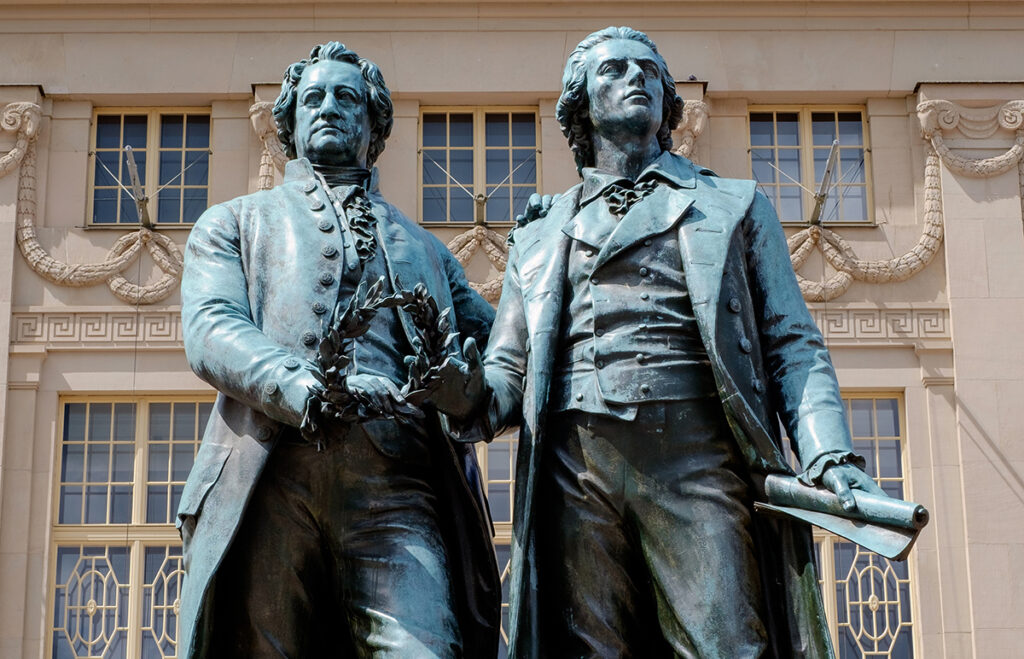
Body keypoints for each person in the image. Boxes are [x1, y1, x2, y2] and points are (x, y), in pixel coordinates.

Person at [445, 26, 886, 658]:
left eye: (650, 71)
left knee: (728, 644)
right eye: (615, 70)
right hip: (577, 468)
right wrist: (460, 393)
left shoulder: (734, 204)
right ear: (580, 102)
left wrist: (831, 455)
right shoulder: (541, 230)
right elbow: (506, 373)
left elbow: (793, 343)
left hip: (693, 457)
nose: (637, 79)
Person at [175, 42, 499, 658]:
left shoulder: (429, 251)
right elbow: (212, 326)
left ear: (374, 126)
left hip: (399, 487)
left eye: (346, 97)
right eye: (313, 97)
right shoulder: (234, 223)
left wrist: (463, 386)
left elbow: (504, 357)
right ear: (289, 121)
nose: (328, 107)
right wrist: (299, 384)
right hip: (273, 478)